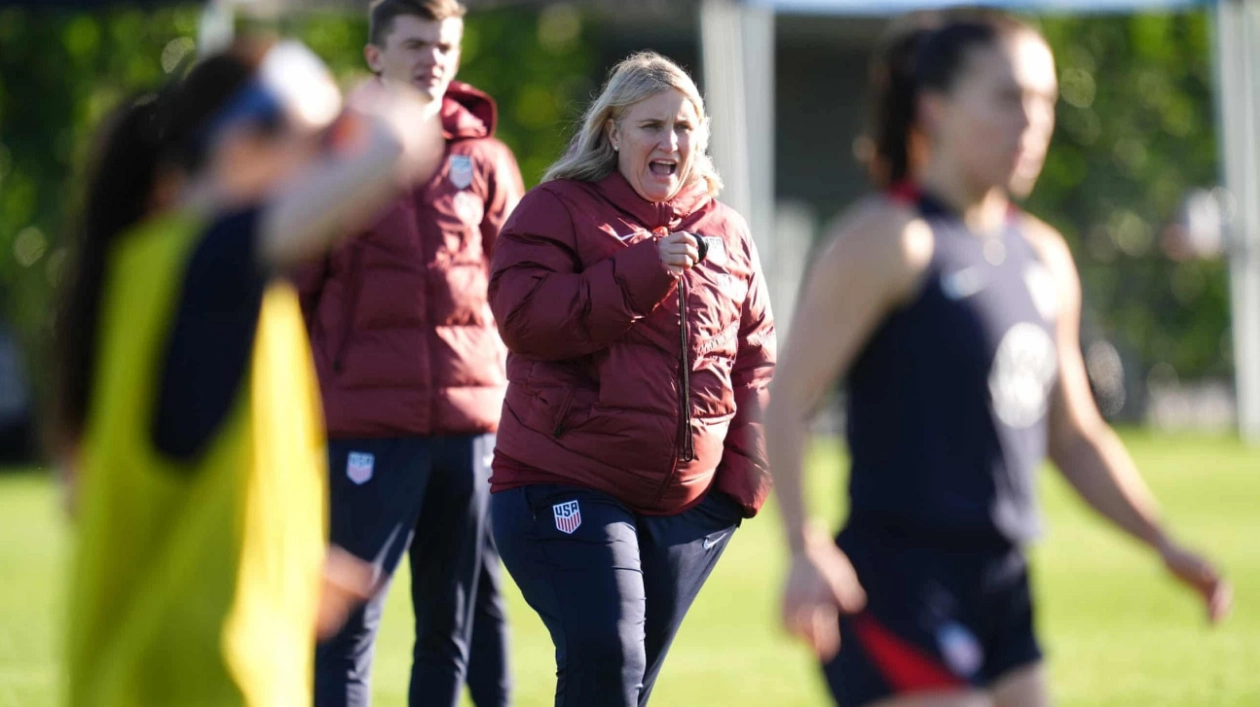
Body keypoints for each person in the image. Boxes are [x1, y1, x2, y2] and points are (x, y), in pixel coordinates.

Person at [767, 13, 1233, 707]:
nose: (1034, 122)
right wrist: (805, 546)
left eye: (1046, 101)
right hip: (896, 584)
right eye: (1009, 98)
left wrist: (1162, 541)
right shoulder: (892, 239)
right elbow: (784, 401)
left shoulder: (1042, 254)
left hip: (1003, 584)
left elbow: (1073, 435)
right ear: (935, 107)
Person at [52, 38, 438, 707]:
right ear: (244, 143)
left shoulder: (190, 280)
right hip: (193, 683)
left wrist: (291, 566)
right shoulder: (203, 266)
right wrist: (369, 109)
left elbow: (186, 490)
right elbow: (398, 144)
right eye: (323, 144)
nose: (334, 164)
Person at [486, 51, 776, 707]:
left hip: (689, 510)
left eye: (683, 126)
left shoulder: (728, 231)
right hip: (565, 485)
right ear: (612, 131)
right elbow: (525, 319)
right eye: (651, 126)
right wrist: (644, 270)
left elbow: (758, 357)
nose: (669, 142)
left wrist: (736, 487)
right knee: (609, 659)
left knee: (622, 686)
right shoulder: (556, 209)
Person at [299, 1, 524, 705]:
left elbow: (522, 292)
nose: (434, 57)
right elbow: (294, 295)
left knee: (451, 628)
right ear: (375, 56)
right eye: (416, 43)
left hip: (467, 428)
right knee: (346, 627)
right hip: (365, 429)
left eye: (446, 44)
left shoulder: (485, 159)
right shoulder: (333, 155)